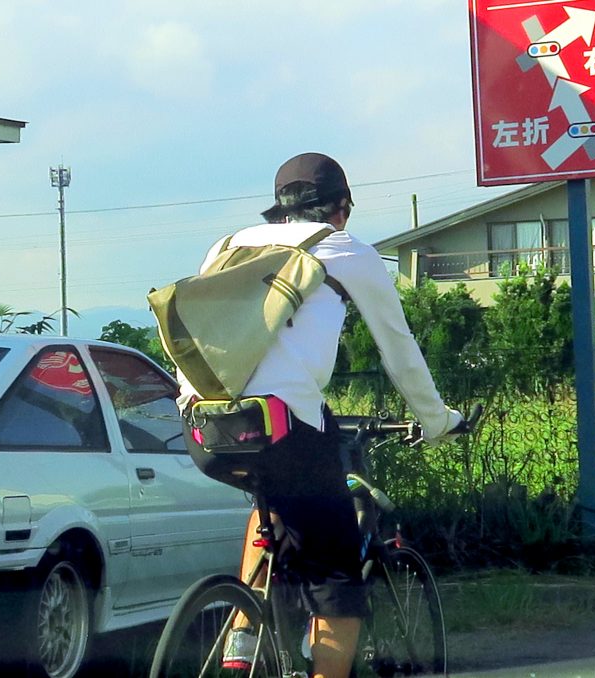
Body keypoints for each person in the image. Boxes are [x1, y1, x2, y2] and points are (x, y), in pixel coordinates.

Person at [176, 152, 464, 678]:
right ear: (341, 208)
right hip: (285, 426)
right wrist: (439, 419)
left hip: (206, 424)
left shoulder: (226, 246)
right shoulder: (345, 249)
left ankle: (241, 633)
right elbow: (399, 350)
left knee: (273, 502)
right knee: (336, 576)